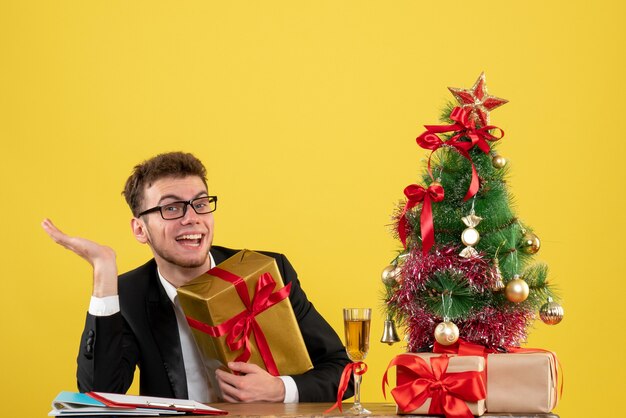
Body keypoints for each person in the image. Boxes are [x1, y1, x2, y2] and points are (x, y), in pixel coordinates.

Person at [42, 151, 352, 403]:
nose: (192, 218)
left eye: (200, 204)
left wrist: (280, 389)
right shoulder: (128, 295)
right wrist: (104, 273)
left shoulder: (267, 271)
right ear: (140, 229)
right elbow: (98, 394)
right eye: (172, 208)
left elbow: (344, 371)